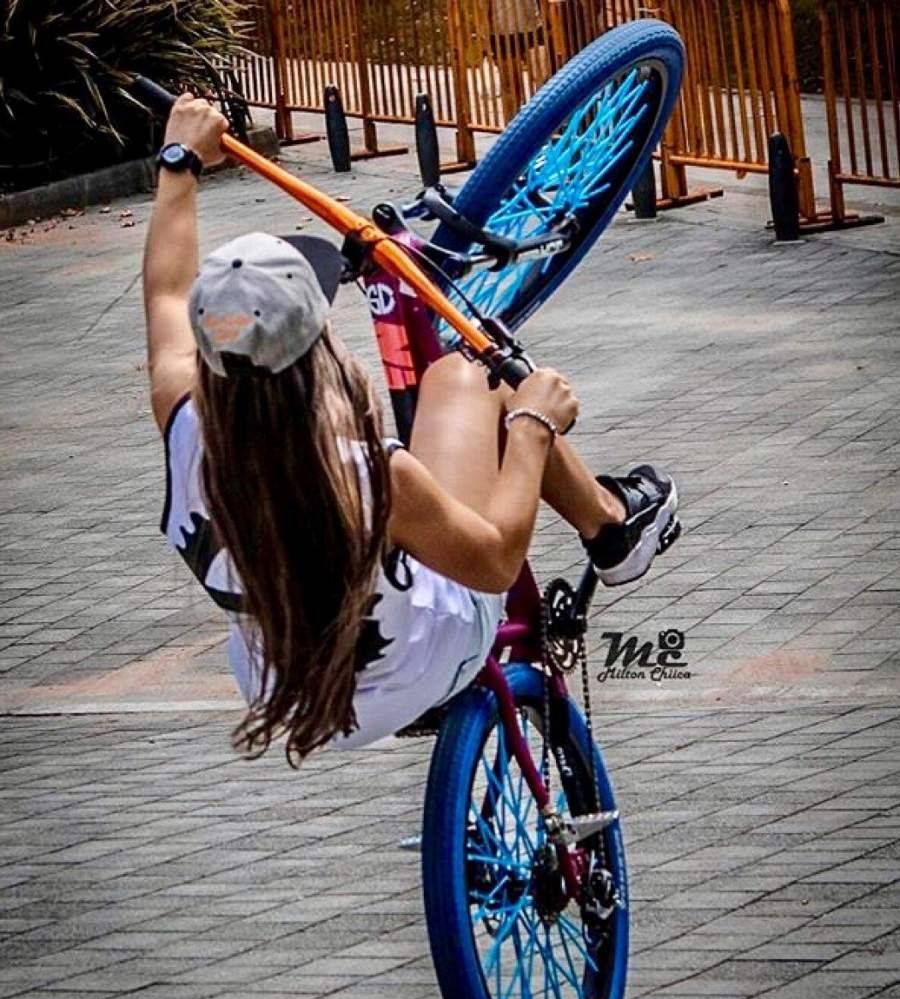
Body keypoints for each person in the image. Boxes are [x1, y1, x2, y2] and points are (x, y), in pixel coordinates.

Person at [143, 95, 679, 766]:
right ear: (317, 344)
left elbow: (165, 294)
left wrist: (178, 164)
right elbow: (494, 562)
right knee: (464, 375)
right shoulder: (367, 474)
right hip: (418, 669)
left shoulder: (183, 421)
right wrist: (533, 423)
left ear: (208, 351)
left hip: (290, 697)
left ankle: (601, 527)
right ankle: (610, 527)